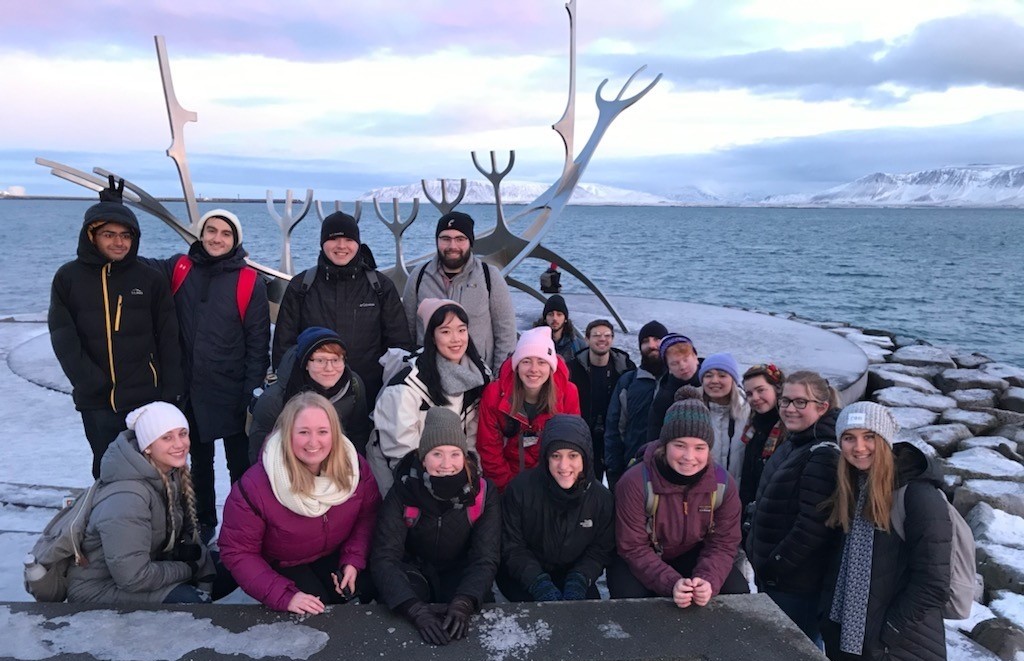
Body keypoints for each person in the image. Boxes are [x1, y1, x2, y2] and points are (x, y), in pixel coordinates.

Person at [148, 208, 271, 544]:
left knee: (241, 467)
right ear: (201, 235)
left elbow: (258, 343)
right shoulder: (181, 268)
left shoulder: (249, 282)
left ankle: (244, 525)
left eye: (225, 234)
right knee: (197, 464)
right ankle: (202, 523)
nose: (217, 238)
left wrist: (253, 392)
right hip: (188, 390)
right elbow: (132, 267)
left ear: (235, 240)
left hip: (232, 391)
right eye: (211, 231)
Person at [49, 181, 184, 479]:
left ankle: (162, 526)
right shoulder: (68, 278)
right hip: (96, 400)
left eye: (125, 235)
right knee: (107, 470)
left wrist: (170, 391)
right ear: (91, 236)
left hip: (146, 400)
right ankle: (107, 524)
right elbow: (63, 336)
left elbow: (168, 337)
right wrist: (90, 382)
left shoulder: (149, 278)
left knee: (156, 472)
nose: (118, 242)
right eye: (109, 235)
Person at [218, 392, 381, 614]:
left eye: (323, 432)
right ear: (287, 435)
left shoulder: (354, 468)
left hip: (334, 551)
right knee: (315, 611)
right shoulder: (256, 487)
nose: (314, 442)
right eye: (303, 432)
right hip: (285, 563)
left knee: (368, 589)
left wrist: (353, 558)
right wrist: (284, 596)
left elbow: (368, 514)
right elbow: (237, 551)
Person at [821, 402, 952, 661]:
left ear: (885, 439)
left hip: (900, 645)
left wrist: (888, 633)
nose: (859, 447)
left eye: (869, 436)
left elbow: (933, 582)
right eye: (849, 438)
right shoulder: (853, 486)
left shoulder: (917, 495)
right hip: (849, 637)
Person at [371, 407, 500, 646]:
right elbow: (384, 557)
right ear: (423, 457)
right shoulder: (404, 490)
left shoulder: (482, 493)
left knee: (471, 633)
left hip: (459, 573)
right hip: (414, 571)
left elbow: (485, 557)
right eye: (437, 454)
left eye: (454, 454)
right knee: (402, 630)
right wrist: (412, 608)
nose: (446, 464)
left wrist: (466, 600)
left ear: (464, 456)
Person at [67, 402, 216, 604]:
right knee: (190, 601)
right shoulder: (127, 499)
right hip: (99, 588)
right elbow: (133, 577)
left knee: (231, 568)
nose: (180, 444)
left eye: (183, 433)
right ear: (147, 446)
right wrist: (190, 569)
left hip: (148, 567)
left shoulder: (169, 472)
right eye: (167, 437)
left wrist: (203, 566)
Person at [609, 387, 746, 604]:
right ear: (665, 445)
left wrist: (706, 579)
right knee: (629, 596)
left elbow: (723, 542)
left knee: (736, 589)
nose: (689, 457)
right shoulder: (635, 482)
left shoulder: (722, 484)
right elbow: (632, 546)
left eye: (699, 447)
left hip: (692, 552)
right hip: (643, 555)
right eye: (680, 446)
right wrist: (670, 583)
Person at [272, 211, 412, 401]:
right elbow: (284, 347)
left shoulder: (380, 287)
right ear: (322, 243)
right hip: (312, 397)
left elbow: (399, 345)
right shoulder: (301, 286)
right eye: (334, 239)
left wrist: (393, 395)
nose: (341, 246)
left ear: (358, 243)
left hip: (370, 396)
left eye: (348, 239)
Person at [747, 370, 841, 647]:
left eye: (801, 402)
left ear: (822, 407)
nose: (790, 408)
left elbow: (813, 526)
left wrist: (775, 566)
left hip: (796, 584)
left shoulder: (822, 454)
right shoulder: (796, 441)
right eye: (786, 401)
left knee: (795, 648)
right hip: (778, 578)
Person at [369, 299, 489, 495]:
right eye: (445, 331)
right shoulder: (405, 387)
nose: (456, 339)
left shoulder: (478, 376)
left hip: (453, 467)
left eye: (461, 330)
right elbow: (401, 451)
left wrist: (469, 473)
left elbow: (472, 437)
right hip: (405, 471)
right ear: (432, 337)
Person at [498, 414, 615, 602]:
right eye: (556, 456)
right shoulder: (520, 490)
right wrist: (538, 583)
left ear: (585, 457)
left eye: (573, 456)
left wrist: (579, 579)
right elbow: (512, 545)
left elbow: (600, 549)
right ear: (546, 458)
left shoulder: (600, 499)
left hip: (573, 577)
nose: (564, 466)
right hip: (524, 577)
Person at [403, 211, 516, 376]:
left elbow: (505, 331)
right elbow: (408, 330)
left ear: (470, 242)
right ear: (437, 241)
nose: (452, 246)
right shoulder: (418, 277)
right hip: (429, 377)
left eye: (460, 239)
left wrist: (499, 378)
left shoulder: (489, 277)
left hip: (478, 376)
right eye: (445, 238)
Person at [476, 327, 581, 491]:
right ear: (516, 366)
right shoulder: (495, 394)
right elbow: (488, 449)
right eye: (526, 361)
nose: (534, 369)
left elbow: (570, 445)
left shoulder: (568, 394)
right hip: (507, 483)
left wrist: (548, 488)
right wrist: (511, 489)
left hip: (550, 483)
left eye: (541, 362)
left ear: (551, 367)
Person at [248, 326, 370, 463]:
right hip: (290, 471)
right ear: (306, 363)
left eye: (335, 360)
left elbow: (359, 434)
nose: (329, 368)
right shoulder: (275, 399)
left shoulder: (353, 386)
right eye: (320, 360)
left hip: (337, 468)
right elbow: (260, 452)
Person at [567, 319, 636, 483]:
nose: (602, 339)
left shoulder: (626, 368)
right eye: (596, 335)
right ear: (586, 339)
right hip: (583, 435)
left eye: (607, 335)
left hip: (614, 437)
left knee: (618, 486)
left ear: (612, 339)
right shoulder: (572, 368)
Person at [604, 320, 668, 491]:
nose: (651, 345)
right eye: (645, 341)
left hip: (671, 469)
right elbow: (614, 428)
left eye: (657, 339)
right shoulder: (628, 381)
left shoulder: (676, 381)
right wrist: (614, 469)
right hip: (633, 468)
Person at [739, 363, 786, 513]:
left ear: (777, 389)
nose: (755, 398)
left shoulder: (787, 430)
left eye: (761, 390)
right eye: (750, 394)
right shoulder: (753, 426)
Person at [698, 352, 749, 488]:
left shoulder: (749, 412)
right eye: (708, 375)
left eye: (722, 375)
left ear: (733, 380)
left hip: (738, 493)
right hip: (701, 494)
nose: (715, 380)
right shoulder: (693, 412)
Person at [646, 333, 701, 444]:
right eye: (675, 363)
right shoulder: (663, 398)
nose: (682, 366)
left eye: (686, 359)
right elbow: (654, 435)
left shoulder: (715, 381)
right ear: (668, 368)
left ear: (695, 357)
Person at [534, 294, 585, 363]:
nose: (555, 318)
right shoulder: (533, 342)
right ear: (545, 318)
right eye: (550, 314)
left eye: (559, 314)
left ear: (565, 319)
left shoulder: (578, 346)